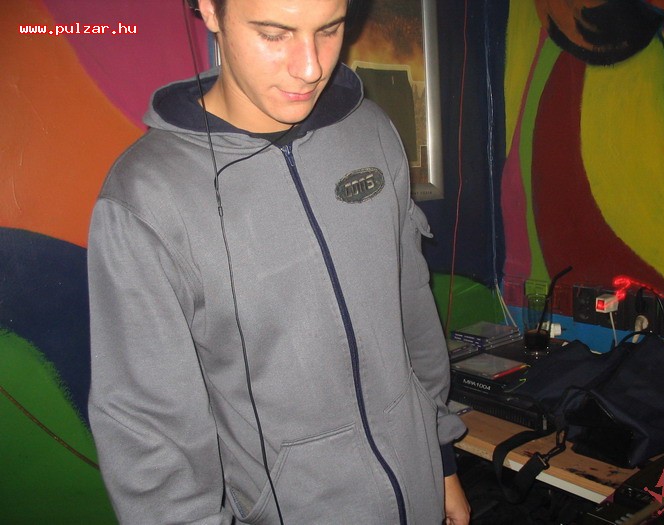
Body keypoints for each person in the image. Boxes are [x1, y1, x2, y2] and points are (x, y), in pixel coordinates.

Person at [87, 0, 471, 523]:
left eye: (329, 30)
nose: (310, 67)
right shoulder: (145, 195)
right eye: (274, 34)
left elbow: (411, 311)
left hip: (421, 489)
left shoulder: (373, 131)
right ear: (210, 10)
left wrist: (441, 457)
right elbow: (147, 430)